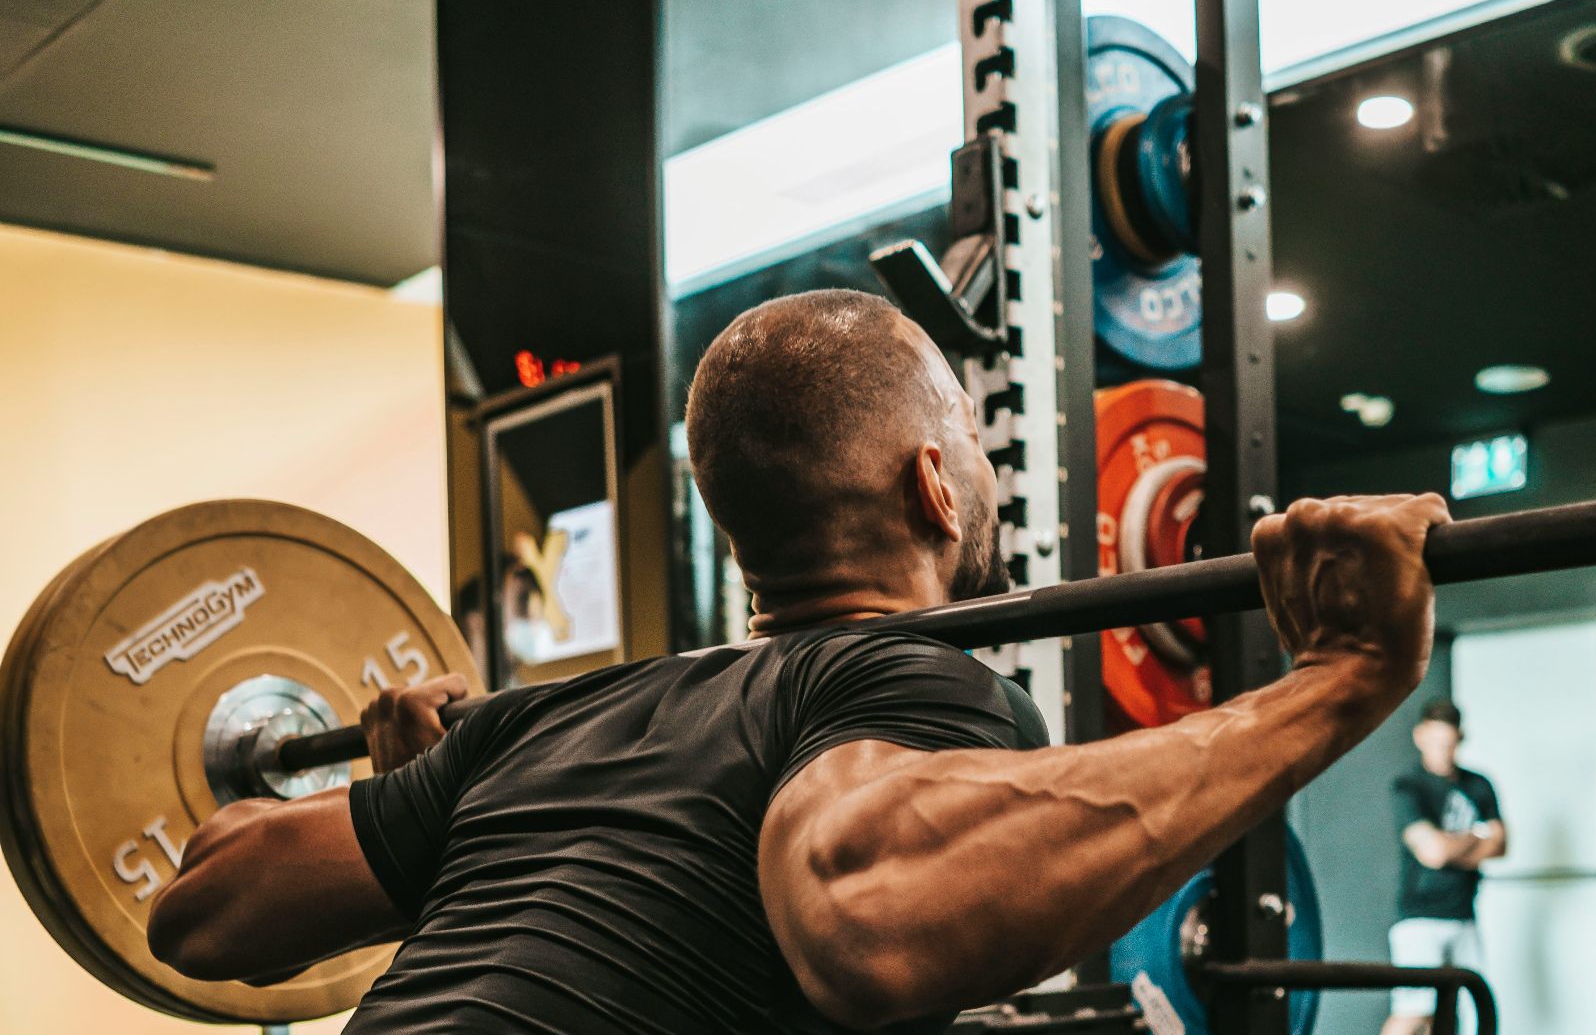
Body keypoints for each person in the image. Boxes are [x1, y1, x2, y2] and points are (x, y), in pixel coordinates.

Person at [144, 288, 1452, 1033]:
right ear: (937, 490)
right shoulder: (910, 677)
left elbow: (202, 907)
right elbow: (867, 916)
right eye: (979, 453)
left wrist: (436, 822)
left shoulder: (540, 725)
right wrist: (1336, 680)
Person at [1382, 699, 1506, 1035]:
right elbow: (1433, 853)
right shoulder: (1409, 788)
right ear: (1420, 736)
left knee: (1467, 1013)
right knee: (1415, 1013)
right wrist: (1477, 836)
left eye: (1449, 743)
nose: (1442, 751)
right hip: (1420, 919)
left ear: (1460, 738)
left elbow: (1501, 844)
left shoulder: (1478, 786)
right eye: (1436, 742)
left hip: (1464, 917)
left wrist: (1452, 847)